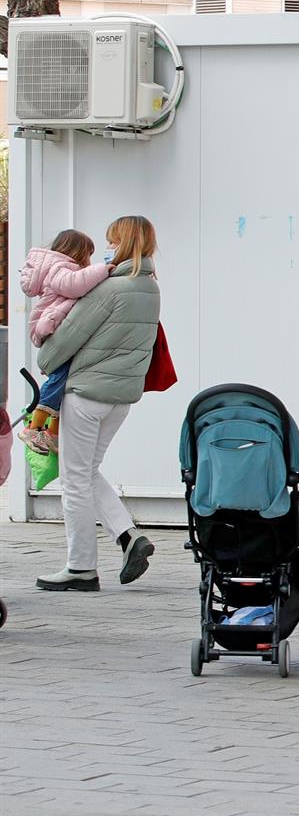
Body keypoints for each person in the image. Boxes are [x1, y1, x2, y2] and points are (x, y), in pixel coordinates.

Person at [31, 216, 161, 593]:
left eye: (110, 241)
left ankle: (81, 567)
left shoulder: (108, 289)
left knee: (74, 479)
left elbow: (61, 344)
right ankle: (127, 535)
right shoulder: (151, 288)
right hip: (120, 399)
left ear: (120, 244)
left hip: (86, 395)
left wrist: (44, 357)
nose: (105, 249)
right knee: (87, 470)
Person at [18, 229, 111, 430]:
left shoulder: (59, 268)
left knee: (65, 381)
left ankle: (51, 432)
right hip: (49, 325)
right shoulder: (60, 269)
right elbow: (73, 286)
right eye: (88, 254)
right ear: (77, 251)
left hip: (52, 324)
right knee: (60, 377)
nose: (89, 259)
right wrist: (104, 269)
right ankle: (35, 428)